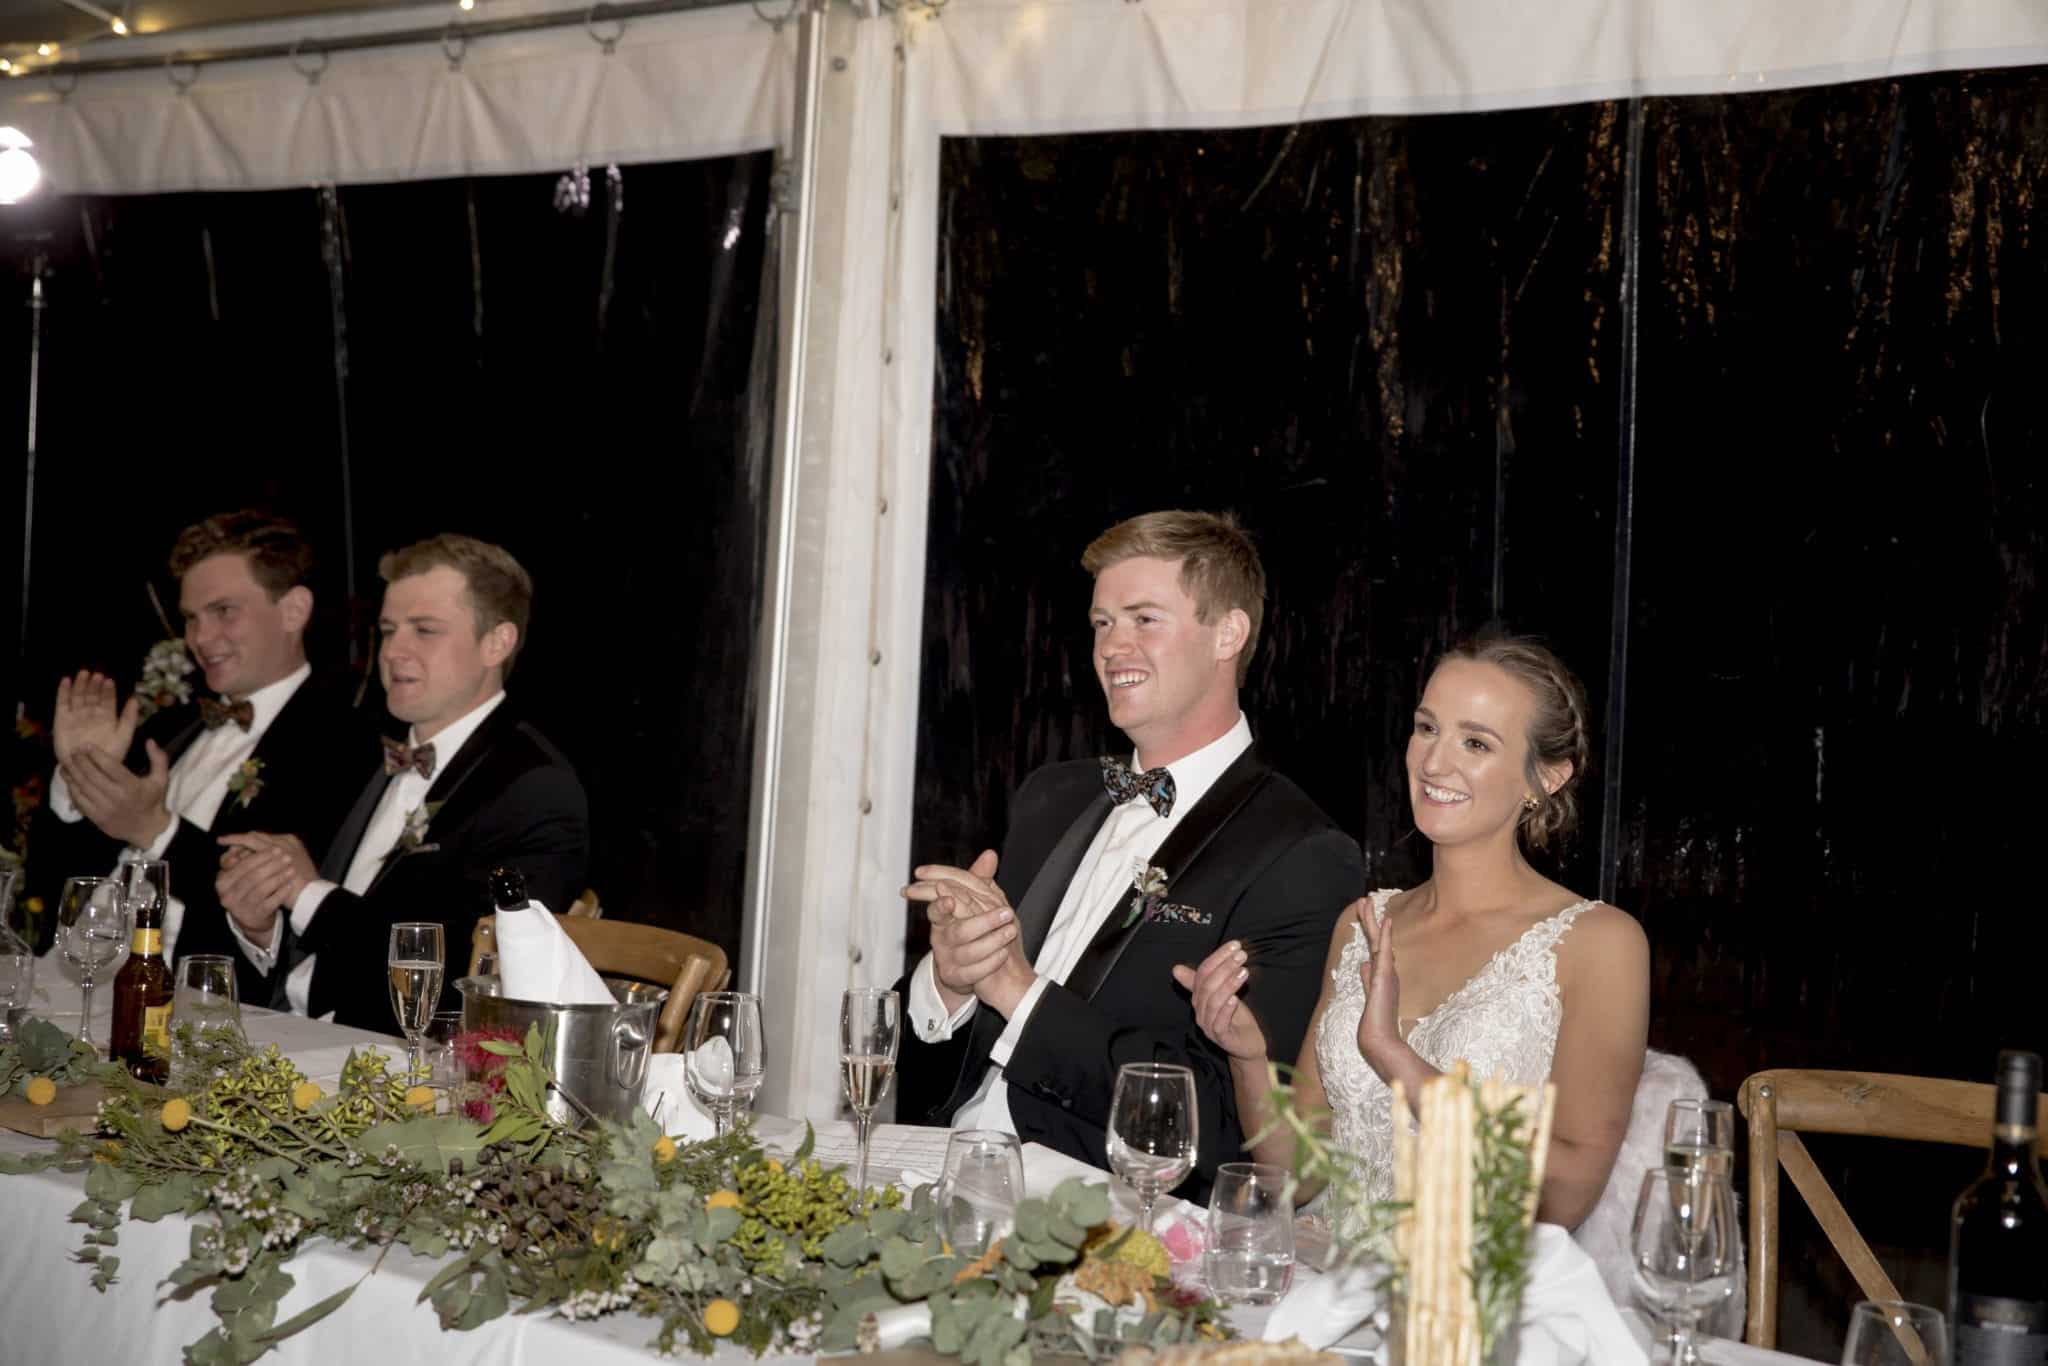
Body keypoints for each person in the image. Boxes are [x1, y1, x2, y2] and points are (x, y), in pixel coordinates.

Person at [897, 510, 1362, 1201]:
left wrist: (1016, 991)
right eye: (1102, 623)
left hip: (1104, 1210)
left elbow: (1230, 1132)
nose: (1113, 647)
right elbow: (930, 1073)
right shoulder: (1050, 796)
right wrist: (952, 981)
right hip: (932, 1163)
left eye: (1145, 619)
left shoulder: (1300, 852)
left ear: (1228, 634)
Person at [1178, 631, 1649, 1227]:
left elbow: (1565, 1199)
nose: (1432, 763)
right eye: (1427, 728)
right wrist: (1248, 1058)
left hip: (1470, 1277)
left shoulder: (1601, 943)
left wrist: (1394, 1057)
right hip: (1328, 1263)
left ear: (1545, 778)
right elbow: (1298, 1176)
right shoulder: (1363, 924)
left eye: (1475, 743)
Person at [215, 534, 589, 1031]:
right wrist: (260, 926)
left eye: (425, 630)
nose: (393, 651)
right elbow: (319, 942)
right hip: (288, 1033)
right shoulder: (363, 755)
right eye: (389, 630)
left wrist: (304, 892)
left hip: (399, 1060)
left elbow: (467, 976)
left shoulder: (533, 790)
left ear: (497, 643)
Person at [33, 510, 364, 1004]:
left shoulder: (342, 741)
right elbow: (49, 878)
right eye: (191, 618)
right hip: (71, 979)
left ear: (294, 610)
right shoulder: (172, 725)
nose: (200, 639)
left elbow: (269, 893)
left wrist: (156, 830)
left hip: (194, 1002)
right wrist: (80, 776)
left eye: (224, 611)